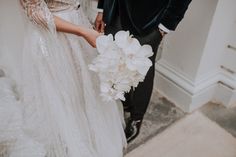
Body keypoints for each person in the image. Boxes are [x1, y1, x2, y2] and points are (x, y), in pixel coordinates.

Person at [0, 0, 126, 156]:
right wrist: (82, 32)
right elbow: (34, 12)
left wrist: (99, 12)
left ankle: (95, 137)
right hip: (53, 38)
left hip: (80, 24)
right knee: (65, 96)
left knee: (87, 90)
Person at [95, 0, 192, 143]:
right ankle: (124, 103)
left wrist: (164, 27)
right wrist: (102, 9)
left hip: (147, 21)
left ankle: (136, 116)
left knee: (142, 70)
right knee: (115, 60)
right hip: (114, 9)